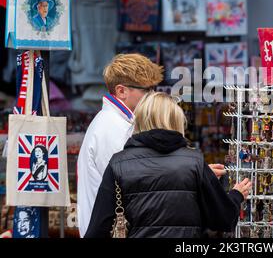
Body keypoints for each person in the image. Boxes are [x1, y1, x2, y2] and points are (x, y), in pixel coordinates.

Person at [85, 92, 252, 238]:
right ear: (176, 120)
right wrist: (236, 195)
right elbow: (222, 219)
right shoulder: (194, 162)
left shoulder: (119, 163)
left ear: (141, 119)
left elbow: (99, 228)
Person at [77, 53, 164, 237]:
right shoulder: (113, 128)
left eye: (153, 88)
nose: (153, 95)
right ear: (122, 91)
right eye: (147, 90)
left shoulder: (117, 123)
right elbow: (134, 186)